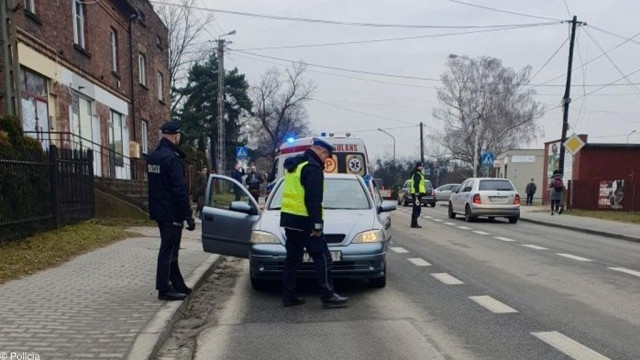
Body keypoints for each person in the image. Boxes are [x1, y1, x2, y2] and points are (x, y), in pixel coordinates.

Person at [280, 138, 349, 309]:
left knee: (292, 259)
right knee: (323, 258)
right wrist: (317, 226)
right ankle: (327, 295)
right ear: (321, 151)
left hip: (290, 220)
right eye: (327, 156)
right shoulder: (313, 168)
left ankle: (289, 295)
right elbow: (313, 200)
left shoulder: (295, 165)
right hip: (305, 222)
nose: (326, 160)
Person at [147, 121, 196, 301]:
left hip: (159, 210)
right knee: (169, 250)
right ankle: (164, 288)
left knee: (170, 248)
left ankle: (177, 284)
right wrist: (187, 216)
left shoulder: (154, 156)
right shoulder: (171, 158)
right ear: (176, 136)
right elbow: (179, 190)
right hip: (172, 212)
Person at [410, 162, 426, 228]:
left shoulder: (417, 173)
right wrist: (416, 194)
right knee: (417, 209)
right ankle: (414, 223)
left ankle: (414, 223)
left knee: (416, 209)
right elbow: (416, 184)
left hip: (417, 193)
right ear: (417, 167)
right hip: (417, 193)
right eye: (420, 166)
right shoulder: (416, 174)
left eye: (422, 166)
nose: (421, 167)